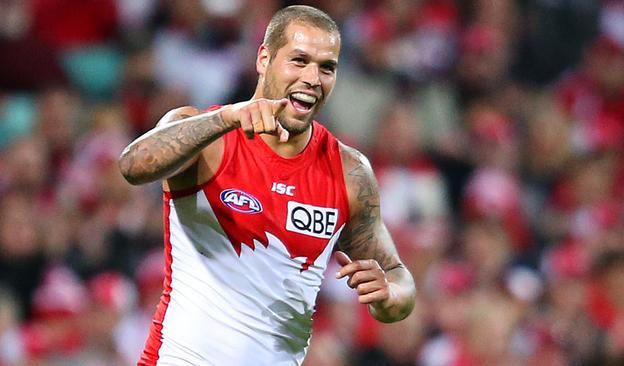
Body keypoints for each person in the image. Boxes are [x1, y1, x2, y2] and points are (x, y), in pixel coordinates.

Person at [118, 5, 416, 365]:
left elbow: (398, 280)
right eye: (299, 60)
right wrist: (225, 119)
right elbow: (133, 165)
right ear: (264, 58)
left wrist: (389, 297)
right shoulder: (206, 134)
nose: (312, 78)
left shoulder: (349, 171)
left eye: (327, 67)